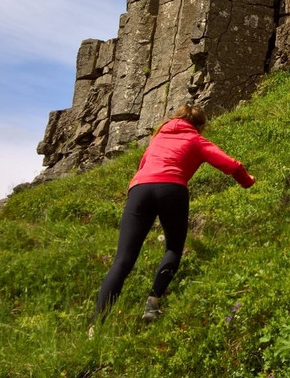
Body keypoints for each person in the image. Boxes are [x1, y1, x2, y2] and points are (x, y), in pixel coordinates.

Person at [94, 103, 255, 324]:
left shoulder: (158, 137)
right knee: (173, 249)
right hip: (172, 188)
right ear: (199, 125)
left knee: (122, 259)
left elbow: (143, 165)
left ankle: (96, 325)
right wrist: (248, 182)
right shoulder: (195, 139)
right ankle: (152, 304)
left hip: (139, 189)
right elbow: (230, 164)